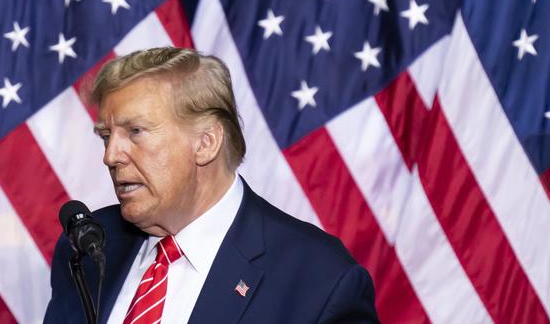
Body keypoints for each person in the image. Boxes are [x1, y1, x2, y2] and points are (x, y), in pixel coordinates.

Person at [44, 47, 378, 323]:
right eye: (106, 136)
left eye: (135, 132)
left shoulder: (320, 283)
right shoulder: (88, 248)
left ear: (205, 143)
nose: (111, 155)